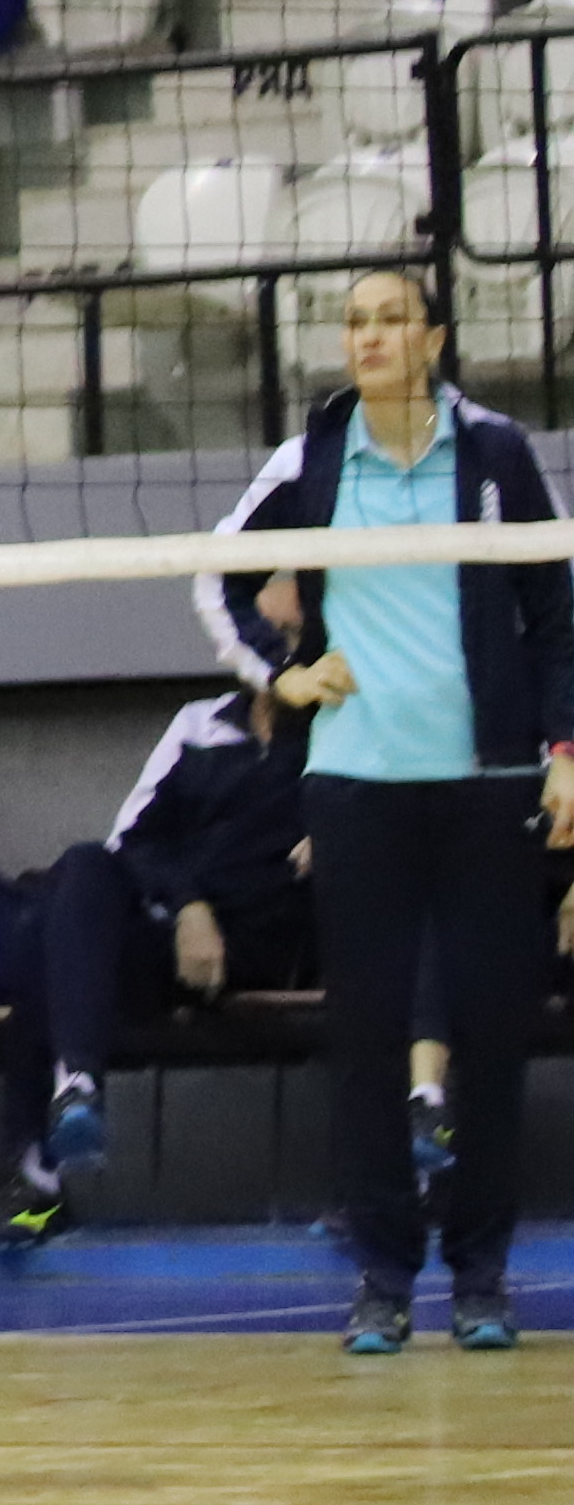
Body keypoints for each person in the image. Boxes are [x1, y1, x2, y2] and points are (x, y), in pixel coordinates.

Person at [207, 265, 572, 1355]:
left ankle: (482, 1275)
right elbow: (216, 572)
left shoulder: (497, 452)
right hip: (356, 784)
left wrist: (562, 751)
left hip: (488, 786)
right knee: (367, 1039)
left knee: (491, 1034)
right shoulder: (310, 459)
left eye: (391, 320)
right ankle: (382, 1276)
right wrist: (281, 675)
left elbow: (557, 612)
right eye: (355, 322)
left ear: (434, 339)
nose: (368, 337)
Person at [0, 682, 313, 1252]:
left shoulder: (340, 732)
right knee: (81, 870)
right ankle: (77, 1089)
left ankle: (37, 1179)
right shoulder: (201, 723)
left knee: (53, 945)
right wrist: (189, 906)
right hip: (175, 930)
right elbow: (133, 841)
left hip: (263, 942)